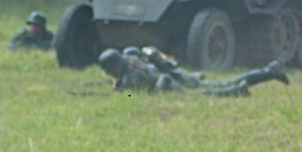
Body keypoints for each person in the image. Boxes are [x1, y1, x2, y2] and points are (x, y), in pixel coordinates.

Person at [99, 47, 288, 95]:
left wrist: (120, 89)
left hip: (174, 82)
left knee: (205, 93)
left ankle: (264, 74)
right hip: (176, 75)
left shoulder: (131, 78)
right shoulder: (130, 56)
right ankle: (267, 72)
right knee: (215, 85)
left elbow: (134, 93)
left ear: (115, 67)